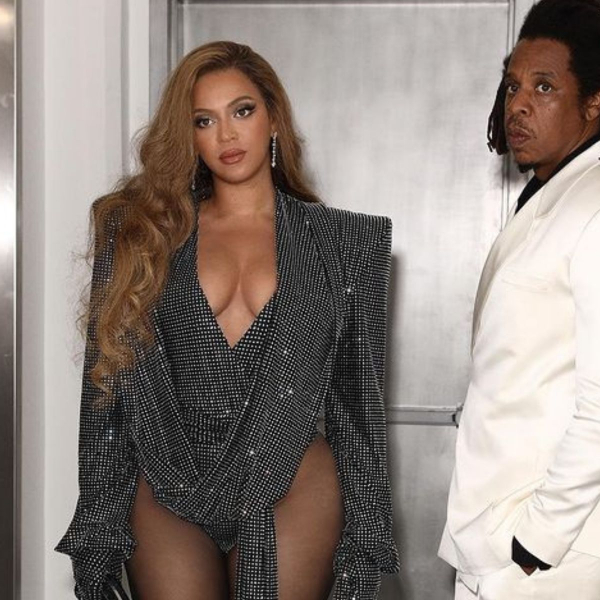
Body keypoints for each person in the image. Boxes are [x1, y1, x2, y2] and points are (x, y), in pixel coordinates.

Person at [55, 41, 399, 600]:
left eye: (242, 110)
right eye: (204, 120)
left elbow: (357, 408)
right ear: (188, 136)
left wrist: (363, 549)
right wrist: (95, 541)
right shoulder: (141, 234)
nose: (226, 134)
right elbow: (106, 393)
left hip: (291, 473)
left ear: (273, 118)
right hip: (169, 475)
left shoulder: (346, 242)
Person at [438, 0, 600, 598]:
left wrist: (538, 539)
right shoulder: (552, 194)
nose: (518, 105)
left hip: (550, 554)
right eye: (512, 86)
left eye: (544, 86)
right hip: (495, 536)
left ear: (594, 103)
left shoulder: (594, 204)